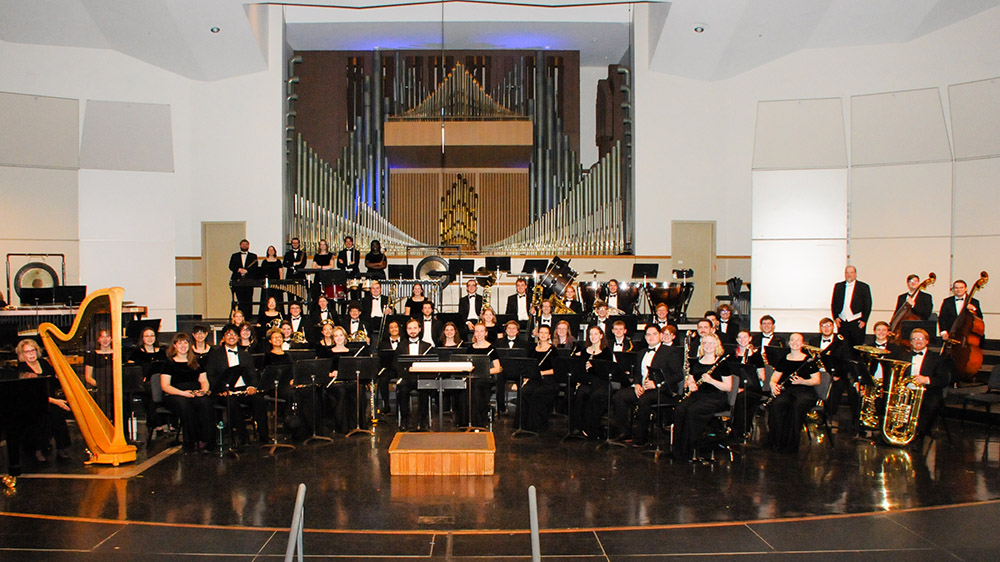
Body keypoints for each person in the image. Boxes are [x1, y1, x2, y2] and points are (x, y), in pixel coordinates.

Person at [611, 326, 683, 447]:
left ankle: (641, 438)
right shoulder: (641, 352)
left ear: (660, 336)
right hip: (643, 388)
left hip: (664, 391)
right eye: (648, 335)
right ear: (645, 337)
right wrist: (637, 384)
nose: (651, 337)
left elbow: (678, 375)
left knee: (645, 399)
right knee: (619, 396)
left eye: (654, 334)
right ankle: (624, 432)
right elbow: (638, 373)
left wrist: (657, 384)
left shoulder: (670, 352)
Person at [204, 324, 270, 447]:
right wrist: (222, 390)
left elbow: (252, 374)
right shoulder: (215, 355)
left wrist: (252, 386)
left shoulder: (244, 354)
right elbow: (211, 376)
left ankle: (264, 436)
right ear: (223, 337)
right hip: (224, 391)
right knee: (232, 403)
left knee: (259, 400)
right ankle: (243, 437)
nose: (232, 337)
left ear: (238, 337)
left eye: (234, 334)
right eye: (228, 334)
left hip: (243, 389)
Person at [672, 333, 733, 460]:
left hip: (715, 397)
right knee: (680, 408)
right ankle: (678, 450)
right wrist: (691, 384)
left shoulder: (722, 363)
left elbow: (728, 387)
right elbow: (690, 379)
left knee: (692, 410)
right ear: (701, 345)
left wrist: (711, 381)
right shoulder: (696, 361)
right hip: (698, 395)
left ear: (716, 344)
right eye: (705, 343)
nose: (708, 346)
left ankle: (690, 449)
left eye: (711, 343)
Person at [892, 328, 953, 444]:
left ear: (926, 341)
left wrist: (926, 379)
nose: (918, 341)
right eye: (914, 339)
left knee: (930, 406)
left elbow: (944, 380)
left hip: (928, 392)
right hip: (908, 391)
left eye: (920, 339)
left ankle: (919, 435)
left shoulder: (937, 358)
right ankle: (897, 432)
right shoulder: (903, 357)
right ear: (910, 342)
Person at [17, 339, 71, 462]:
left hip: (50, 399)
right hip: (33, 402)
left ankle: (61, 448)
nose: (30, 354)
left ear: (37, 351)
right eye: (27, 352)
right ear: (22, 355)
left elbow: (55, 381)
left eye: (32, 350)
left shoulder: (44, 363)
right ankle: (38, 449)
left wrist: (59, 375)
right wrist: (57, 401)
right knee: (42, 416)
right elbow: (33, 394)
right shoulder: (23, 368)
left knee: (58, 415)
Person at [160, 333, 214, 453]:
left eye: (185, 343)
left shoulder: (196, 362)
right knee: (186, 406)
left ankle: (206, 441)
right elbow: (165, 386)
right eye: (180, 343)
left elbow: (204, 381)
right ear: (174, 345)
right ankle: (190, 443)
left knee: (206, 403)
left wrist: (203, 391)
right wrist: (183, 393)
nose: (183, 346)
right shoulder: (169, 363)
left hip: (193, 392)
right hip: (174, 394)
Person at [767, 333, 821, 453]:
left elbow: (817, 380)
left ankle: (791, 444)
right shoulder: (784, 359)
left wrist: (803, 381)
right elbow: (774, 377)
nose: (795, 342)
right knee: (776, 405)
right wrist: (772, 385)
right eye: (792, 340)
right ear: (789, 343)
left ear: (802, 344)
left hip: (805, 391)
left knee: (796, 406)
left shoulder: (809, 360)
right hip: (788, 391)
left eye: (798, 340)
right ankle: (777, 442)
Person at [809, 317, 858, 433]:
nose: (826, 328)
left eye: (829, 325)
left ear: (833, 327)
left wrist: (836, 374)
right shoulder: (813, 341)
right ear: (820, 328)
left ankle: (828, 414)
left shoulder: (842, 342)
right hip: (817, 372)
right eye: (823, 326)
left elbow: (846, 361)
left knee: (838, 385)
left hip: (836, 374)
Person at [573, 325, 614, 438]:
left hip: (602, 382)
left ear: (601, 336)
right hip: (588, 381)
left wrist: (594, 366)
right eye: (591, 334)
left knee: (595, 396)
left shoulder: (606, 352)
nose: (593, 336)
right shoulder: (585, 351)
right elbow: (580, 371)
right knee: (580, 393)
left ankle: (592, 429)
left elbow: (607, 372)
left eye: (596, 334)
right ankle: (579, 427)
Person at [516, 325, 559, 432]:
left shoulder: (553, 350)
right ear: (538, 334)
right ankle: (522, 425)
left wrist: (541, 373)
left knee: (537, 394)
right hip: (534, 379)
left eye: (546, 333)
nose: (543, 335)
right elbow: (528, 366)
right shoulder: (532, 349)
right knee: (524, 392)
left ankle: (535, 426)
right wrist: (526, 378)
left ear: (549, 336)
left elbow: (556, 369)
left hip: (548, 380)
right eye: (541, 332)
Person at [726, 330, 766, 441]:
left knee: (743, 398)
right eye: (740, 337)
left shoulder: (756, 356)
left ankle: (741, 430)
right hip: (736, 388)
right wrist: (735, 388)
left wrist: (752, 373)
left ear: (750, 339)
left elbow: (762, 377)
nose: (742, 339)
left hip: (753, 389)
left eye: (745, 337)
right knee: (738, 396)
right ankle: (731, 428)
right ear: (737, 340)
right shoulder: (732, 356)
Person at [459, 323, 501, 428]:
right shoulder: (469, 349)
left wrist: (483, 371)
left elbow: (497, 368)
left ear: (486, 333)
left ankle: (478, 422)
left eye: (481, 331)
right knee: (464, 389)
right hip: (472, 378)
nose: (479, 334)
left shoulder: (491, 349)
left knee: (476, 388)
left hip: (485, 379)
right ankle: (464, 422)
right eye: (476, 331)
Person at [395, 318, 434, 431]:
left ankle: (423, 420)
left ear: (420, 329)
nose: (412, 331)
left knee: (424, 390)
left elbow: (432, 363)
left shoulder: (427, 346)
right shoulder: (401, 346)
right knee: (402, 391)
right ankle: (404, 419)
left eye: (415, 328)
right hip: (406, 378)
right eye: (410, 328)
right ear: (406, 330)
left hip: (421, 377)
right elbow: (395, 363)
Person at [831, 265, 872, 347]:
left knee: (856, 346)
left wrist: (864, 320)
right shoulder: (838, 286)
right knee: (842, 346)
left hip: (856, 321)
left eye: (851, 272)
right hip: (842, 322)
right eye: (847, 272)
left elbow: (868, 304)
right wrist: (835, 317)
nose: (849, 275)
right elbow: (834, 303)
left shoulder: (863, 287)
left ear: (855, 274)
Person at [83, 328, 115, 418]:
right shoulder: (92, 355)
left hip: (116, 388)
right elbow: (88, 377)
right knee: (103, 402)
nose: (105, 339)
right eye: (102, 337)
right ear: (98, 340)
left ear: (112, 339)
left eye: (107, 336)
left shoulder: (118, 354)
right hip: (101, 389)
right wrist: (101, 385)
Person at [229, 239, 258, 317]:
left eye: (246, 244)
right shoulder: (234, 256)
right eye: (243, 244)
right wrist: (239, 270)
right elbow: (231, 266)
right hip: (238, 281)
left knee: (249, 300)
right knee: (240, 300)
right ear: (240, 245)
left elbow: (255, 268)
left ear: (248, 246)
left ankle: (248, 317)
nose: (244, 246)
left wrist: (247, 271)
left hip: (249, 281)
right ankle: (240, 316)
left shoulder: (253, 256)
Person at [259, 245, 284, 310]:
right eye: (269, 250)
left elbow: (281, 272)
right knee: (266, 298)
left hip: (276, 283)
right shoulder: (264, 261)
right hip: (267, 283)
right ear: (267, 252)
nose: (271, 251)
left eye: (272, 250)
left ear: (275, 251)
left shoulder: (278, 261)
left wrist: (280, 282)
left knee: (277, 298)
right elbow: (262, 273)